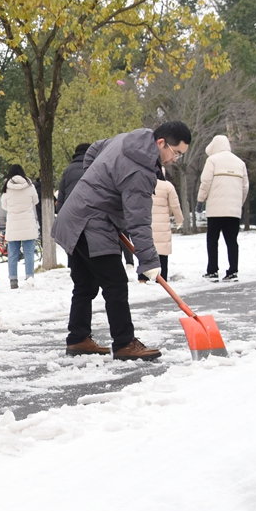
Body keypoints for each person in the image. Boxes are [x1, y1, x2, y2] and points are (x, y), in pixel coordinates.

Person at [51, 122, 191, 360]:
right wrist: (149, 261)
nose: (174, 159)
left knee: (85, 285)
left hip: (75, 216)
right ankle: (124, 343)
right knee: (115, 283)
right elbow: (138, 221)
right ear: (161, 143)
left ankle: (78, 338)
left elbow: (94, 149)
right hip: (91, 223)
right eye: (175, 153)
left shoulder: (128, 139)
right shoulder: (141, 171)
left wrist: (94, 184)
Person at [196, 134, 249, 281]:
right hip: (233, 211)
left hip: (215, 209)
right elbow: (245, 187)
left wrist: (200, 201)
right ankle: (233, 271)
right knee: (232, 240)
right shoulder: (240, 163)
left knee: (212, 240)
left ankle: (212, 270)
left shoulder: (212, 160)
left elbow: (205, 183)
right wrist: (239, 204)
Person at [140, 174, 185, 283]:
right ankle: (162, 277)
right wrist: (179, 219)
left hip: (145, 221)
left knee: (145, 250)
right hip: (162, 223)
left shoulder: (141, 183)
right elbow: (175, 205)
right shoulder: (167, 186)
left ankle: (143, 277)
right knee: (162, 252)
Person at [0, 165, 39, 287]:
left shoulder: (7, 187)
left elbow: (4, 205)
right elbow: (36, 201)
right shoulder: (30, 186)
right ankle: (29, 278)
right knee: (29, 253)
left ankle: (13, 280)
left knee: (12, 254)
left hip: (13, 224)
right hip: (28, 223)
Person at [54, 143, 92, 215]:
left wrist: (59, 211)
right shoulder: (94, 168)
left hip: (70, 210)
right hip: (89, 210)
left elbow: (62, 193)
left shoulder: (68, 169)